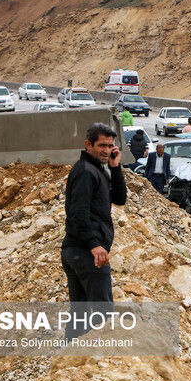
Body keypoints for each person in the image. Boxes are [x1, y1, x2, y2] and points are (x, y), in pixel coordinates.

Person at [61, 123, 127, 340]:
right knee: (103, 313)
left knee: (79, 312)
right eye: (102, 145)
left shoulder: (97, 170)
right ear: (88, 145)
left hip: (78, 251)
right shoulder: (85, 172)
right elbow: (77, 214)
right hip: (86, 252)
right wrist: (95, 244)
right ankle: (103, 358)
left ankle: (71, 359)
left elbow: (119, 199)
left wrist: (115, 168)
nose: (106, 150)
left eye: (110, 146)